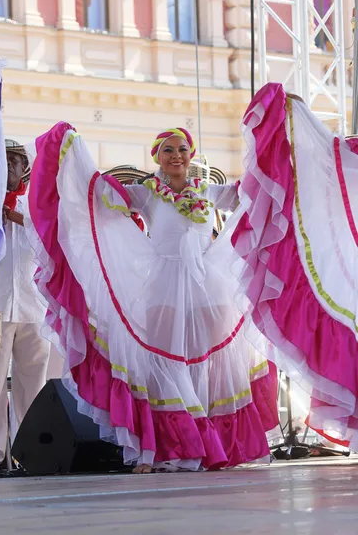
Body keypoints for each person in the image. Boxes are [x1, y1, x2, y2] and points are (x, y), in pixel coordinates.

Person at [25, 123, 279, 474]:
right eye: (168, 151)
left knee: (206, 363)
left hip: (207, 286)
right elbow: (100, 193)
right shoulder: (147, 193)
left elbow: (250, 192)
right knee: (163, 361)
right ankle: (160, 450)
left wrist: (275, 150)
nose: (176, 156)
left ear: (191, 155)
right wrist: (72, 152)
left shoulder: (208, 190)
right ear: (157, 157)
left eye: (182, 150)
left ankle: (211, 446)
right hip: (163, 285)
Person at [232, 82, 358, 450]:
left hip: (338, 260)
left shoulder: (339, 156)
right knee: (335, 334)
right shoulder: (307, 169)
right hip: (320, 261)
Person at [0, 140, 50, 472]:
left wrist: (16, 217)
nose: (12, 165)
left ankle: (28, 454)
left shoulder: (36, 204)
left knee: (34, 385)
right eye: (5, 159)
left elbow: (51, 238)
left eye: (17, 160)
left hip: (34, 306)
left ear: (25, 166)